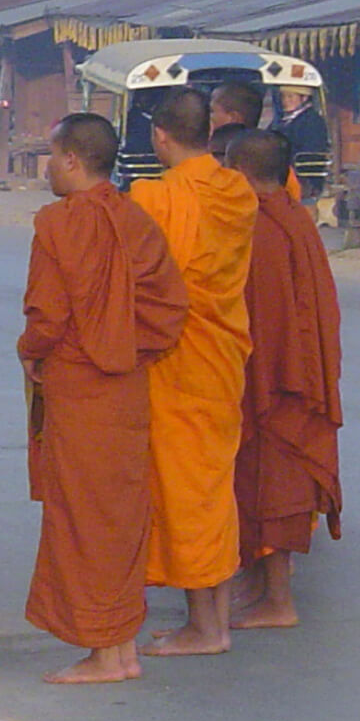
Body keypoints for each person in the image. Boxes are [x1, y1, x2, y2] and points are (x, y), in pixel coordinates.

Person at [19, 113, 189, 684]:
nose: (47, 167)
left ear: (71, 160)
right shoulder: (135, 220)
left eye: (51, 156)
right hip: (126, 390)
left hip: (78, 388)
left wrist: (30, 351)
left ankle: (105, 653)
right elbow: (169, 308)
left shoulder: (59, 224)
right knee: (119, 515)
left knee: (81, 518)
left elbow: (47, 316)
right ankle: (122, 649)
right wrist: (128, 345)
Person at [128, 86, 258, 657]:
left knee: (187, 491)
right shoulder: (236, 191)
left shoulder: (154, 198)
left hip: (177, 359)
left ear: (160, 137)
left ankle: (206, 628)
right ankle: (211, 619)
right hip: (221, 353)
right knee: (211, 487)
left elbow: (147, 284)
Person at [223, 130, 343, 629]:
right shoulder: (294, 217)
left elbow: (266, 317)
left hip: (278, 381)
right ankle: (258, 585)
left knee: (271, 484)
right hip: (298, 372)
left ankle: (278, 600)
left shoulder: (264, 230)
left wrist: (254, 381)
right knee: (260, 483)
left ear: (239, 173)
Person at [211, 81, 303, 200]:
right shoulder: (278, 164)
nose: (207, 117)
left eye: (211, 111)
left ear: (233, 117)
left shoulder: (212, 166)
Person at [269, 86, 330, 199]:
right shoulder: (280, 121)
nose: (285, 101)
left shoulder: (312, 121)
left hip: (302, 182)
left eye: (290, 97)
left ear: (304, 98)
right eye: (283, 97)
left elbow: (311, 153)